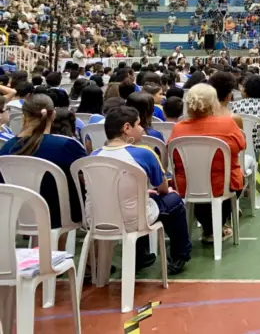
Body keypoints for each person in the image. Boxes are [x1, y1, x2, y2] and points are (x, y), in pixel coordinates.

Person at [91, 106, 192, 274]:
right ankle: (180, 255)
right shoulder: (144, 153)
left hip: (98, 218)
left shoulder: (93, 156)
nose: (142, 129)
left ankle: (141, 255)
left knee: (140, 200)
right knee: (173, 201)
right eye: (139, 125)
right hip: (132, 219)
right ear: (127, 128)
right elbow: (163, 188)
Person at [0, 94, 87, 236]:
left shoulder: (6, 148)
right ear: (53, 116)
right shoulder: (66, 145)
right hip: (60, 217)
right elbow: (86, 180)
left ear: (24, 116)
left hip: (16, 214)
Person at [170, 83, 246, 243]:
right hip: (223, 184)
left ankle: (209, 227)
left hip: (188, 185)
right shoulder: (228, 124)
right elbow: (241, 146)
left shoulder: (178, 128)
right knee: (238, 178)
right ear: (214, 103)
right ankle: (214, 227)